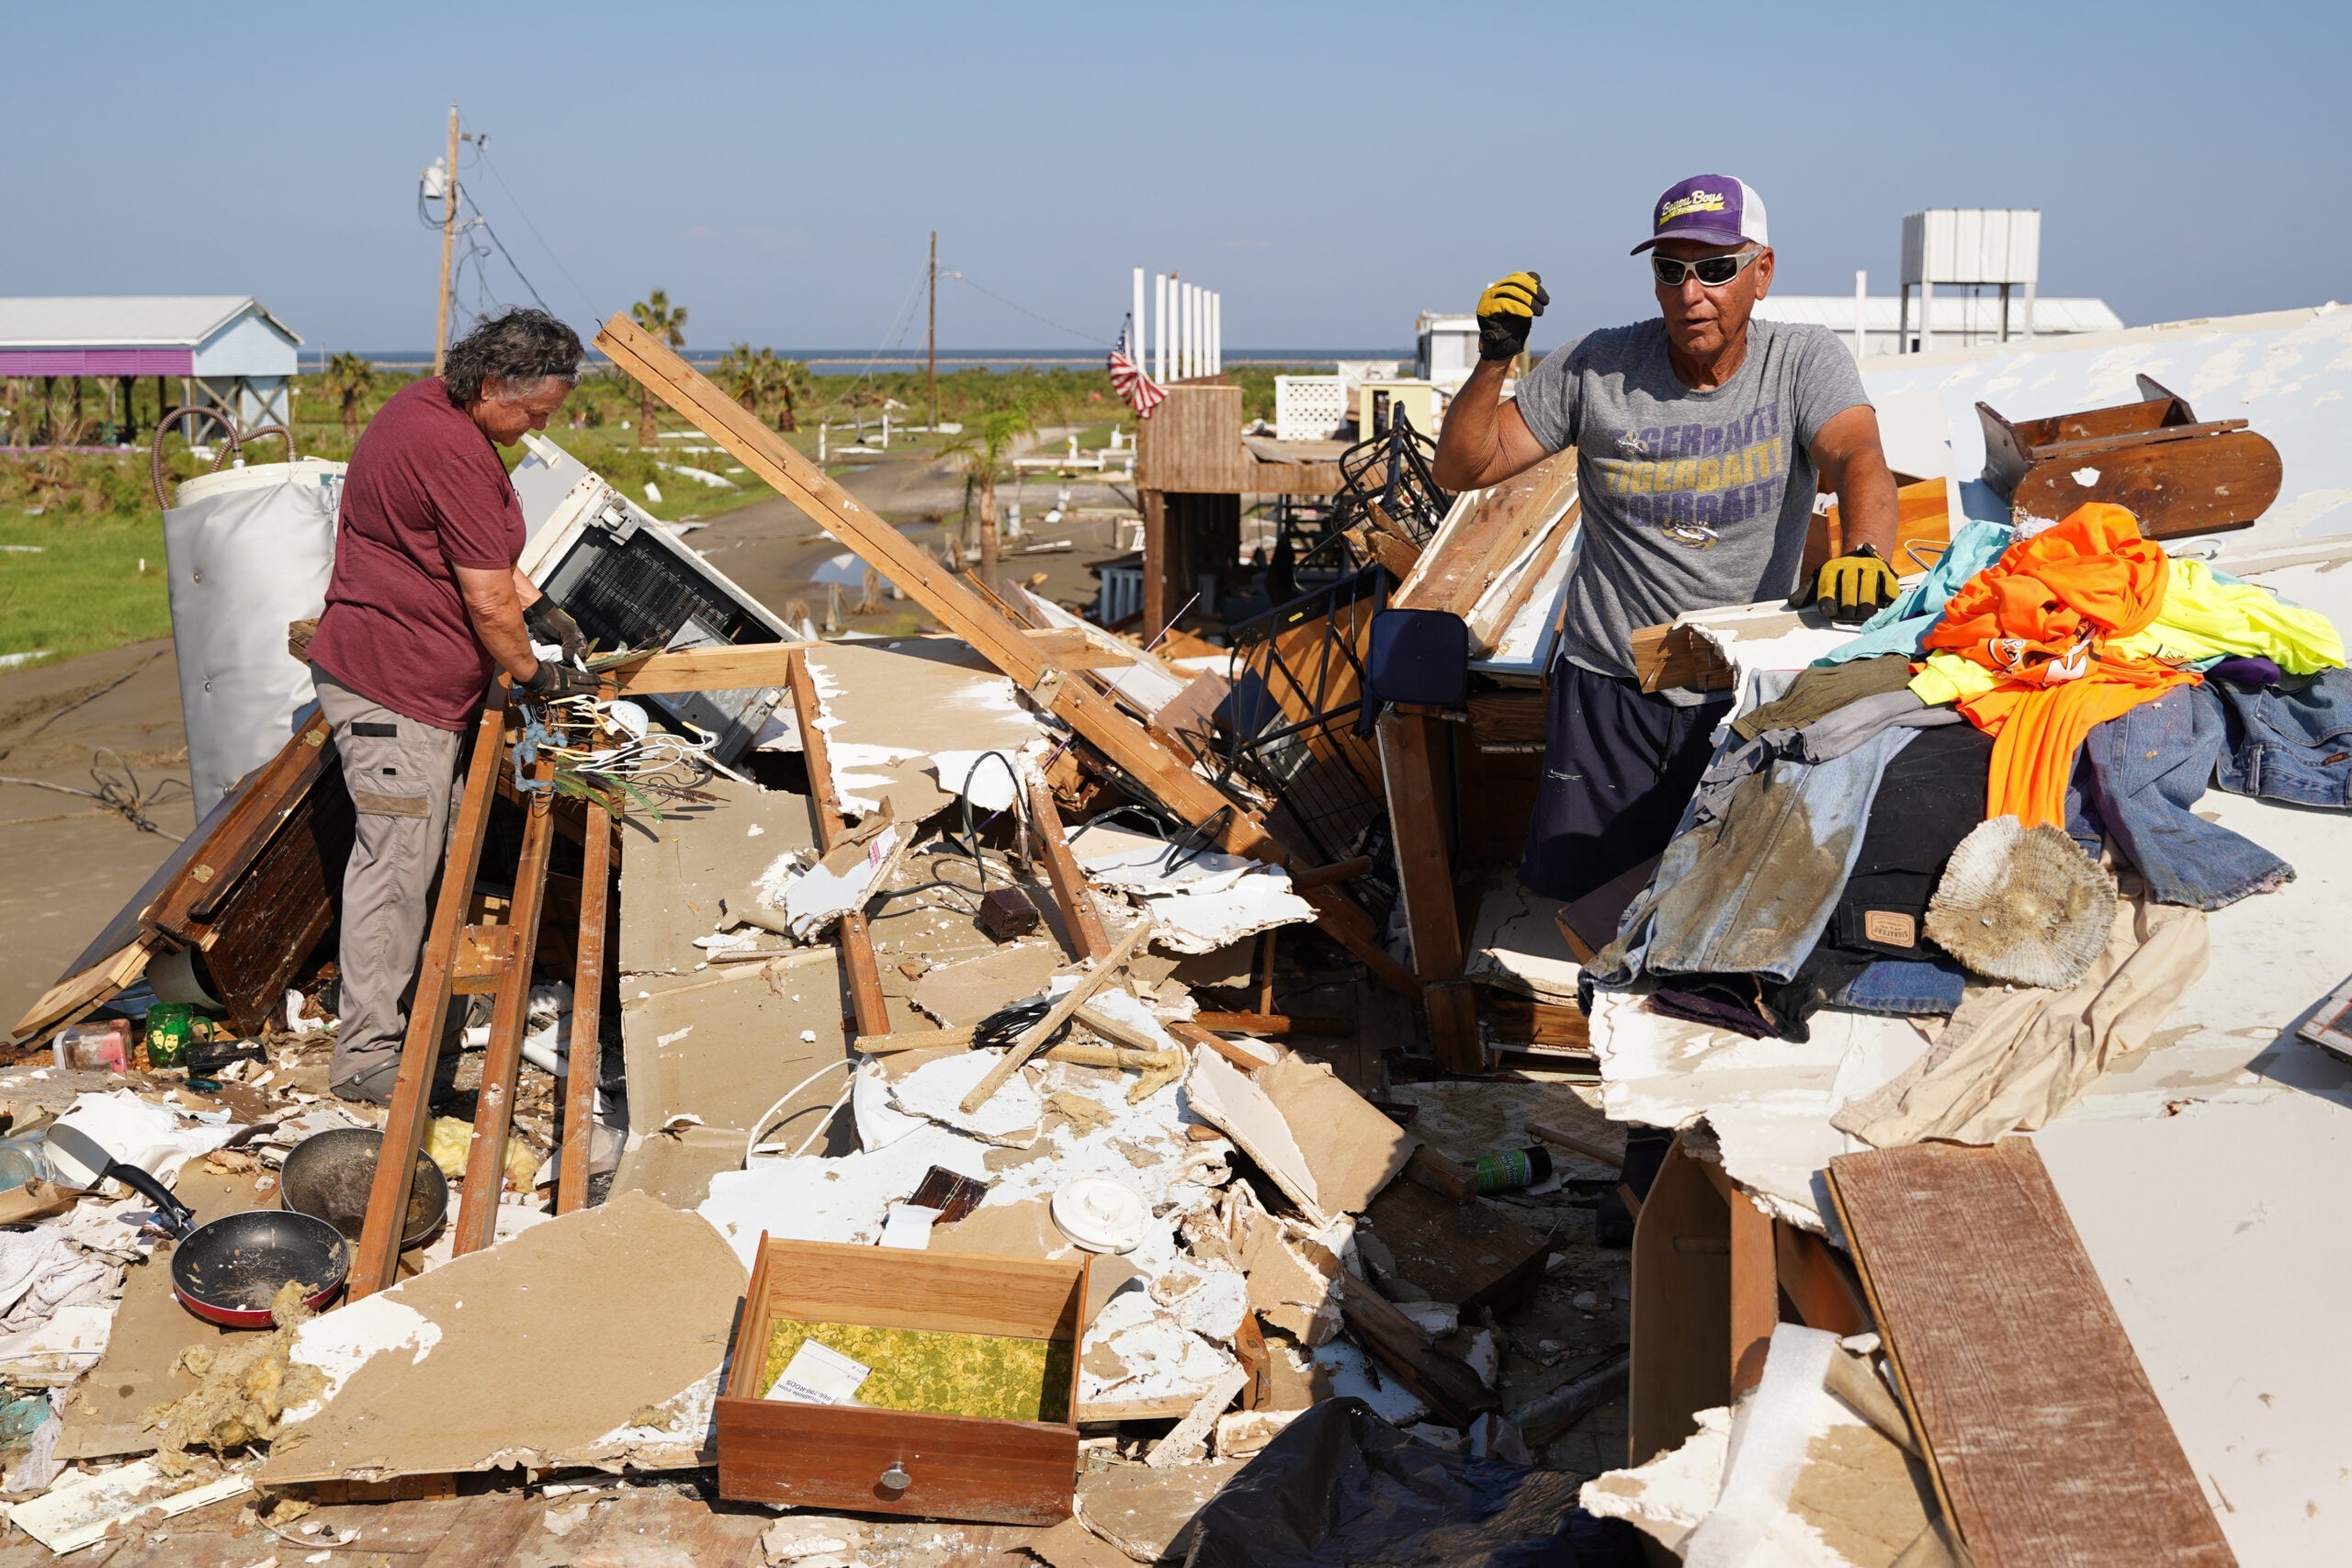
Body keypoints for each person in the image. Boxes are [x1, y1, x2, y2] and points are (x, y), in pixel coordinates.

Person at [1432, 175, 1903, 907]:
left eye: (1715, 269)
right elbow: (1463, 468)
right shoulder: (1597, 367)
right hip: (1608, 695)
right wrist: (1495, 358)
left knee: (1721, 903)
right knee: (1590, 908)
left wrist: (1865, 551)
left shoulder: (1801, 361)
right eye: (1670, 270)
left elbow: (1857, 455)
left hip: (1741, 691)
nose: (1691, 293)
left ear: (1762, 273)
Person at [307, 309, 598, 1105]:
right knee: (396, 870)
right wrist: (535, 672)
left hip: (415, 683)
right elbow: (485, 599)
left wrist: (541, 607)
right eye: (534, 411)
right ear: (494, 383)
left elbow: (480, 559)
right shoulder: (451, 447)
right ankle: (366, 1054)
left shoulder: (433, 410)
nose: (539, 426)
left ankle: (419, 1013)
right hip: (393, 685)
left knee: (421, 857)